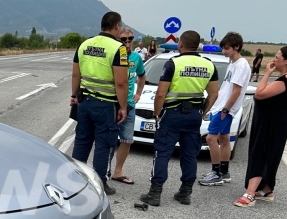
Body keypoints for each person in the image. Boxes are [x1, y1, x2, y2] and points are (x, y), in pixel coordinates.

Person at [140, 30, 220, 206]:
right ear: (197, 45)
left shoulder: (173, 63)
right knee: (190, 155)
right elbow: (214, 94)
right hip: (194, 116)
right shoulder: (208, 64)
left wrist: (156, 114)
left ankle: (155, 193)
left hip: (173, 115)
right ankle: (185, 193)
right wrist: (203, 112)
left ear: (181, 44)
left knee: (162, 152)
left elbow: (161, 94)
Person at [71, 11, 129, 195]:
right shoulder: (118, 48)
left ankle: (73, 181)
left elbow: (75, 74)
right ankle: (99, 184)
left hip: (85, 102)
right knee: (103, 144)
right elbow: (121, 82)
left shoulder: (84, 44)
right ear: (117, 26)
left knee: (82, 142)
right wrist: (123, 107)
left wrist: (74, 95)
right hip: (105, 105)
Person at [235, 46, 287, 206]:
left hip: (271, 122)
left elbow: (260, 94)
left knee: (261, 152)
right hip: (274, 121)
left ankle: (250, 193)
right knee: (271, 153)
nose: (273, 60)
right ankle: (266, 189)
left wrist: (268, 74)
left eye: (277, 57)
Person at [198, 32, 250, 186]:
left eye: (227, 48)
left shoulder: (241, 65)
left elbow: (236, 91)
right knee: (224, 138)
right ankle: (224, 172)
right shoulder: (232, 64)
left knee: (210, 138)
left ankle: (215, 173)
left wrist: (225, 110)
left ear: (237, 47)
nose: (224, 51)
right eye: (223, 48)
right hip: (221, 106)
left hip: (225, 109)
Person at [110, 27, 146, 185]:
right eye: (123, 39)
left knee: (126, 140)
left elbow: (142, 75)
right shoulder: (113, 54)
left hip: (130, 105)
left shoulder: (137, 58)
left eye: (130, 39)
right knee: (109, 139)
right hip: (113, 103)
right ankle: (103, 171)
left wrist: (138, 93)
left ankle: (118, 171)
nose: (127, 42)